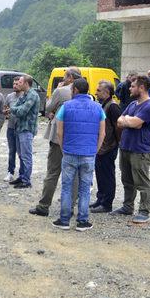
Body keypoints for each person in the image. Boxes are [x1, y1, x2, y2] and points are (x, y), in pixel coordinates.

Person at [51, 78, 106, 231]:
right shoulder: (98, 108)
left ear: (75, 90)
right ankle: (82, 221)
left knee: (67, 187)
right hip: (88, 154)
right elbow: (102, 133)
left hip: (69, 152)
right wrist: (95, 150)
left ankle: (64, 220)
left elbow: (59, 132)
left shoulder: (65, 107)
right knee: (84, 188)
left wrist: (63, 148)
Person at [29, 68, 80, 216]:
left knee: (52, 172)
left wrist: (55, 94)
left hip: (58, 138)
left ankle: (44, 206)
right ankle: (70, 207)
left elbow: (48, 107)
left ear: (69, 77)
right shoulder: (85, 94)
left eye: (65, 76)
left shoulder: (62, 91)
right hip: (75, 139)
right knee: (74, 173)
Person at [111, 75, 150, 223]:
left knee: (142, 182)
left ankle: (144, 211)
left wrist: (130, 121)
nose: (130, 88)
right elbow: (120, 120)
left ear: (142, 88)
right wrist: (129, 121)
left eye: (133, 86)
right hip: (125, 147)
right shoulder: (133, 104)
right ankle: (127, 207)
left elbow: (135, 123)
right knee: (127, 180)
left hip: (140, 150)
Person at [90, 80, 122, 213]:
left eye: (98, 90)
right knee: (100, 174)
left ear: (107, 92)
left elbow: (118, 127)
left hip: (109, 147)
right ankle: (100, 199)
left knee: (107, 175)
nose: (95, 93)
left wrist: (115, 144)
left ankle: (107, 203)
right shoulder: (104, 104)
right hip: (102, 147)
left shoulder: (113, 107)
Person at [7, 75, 40, 189]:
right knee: (21, 155)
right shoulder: (24, 94)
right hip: (19, 128)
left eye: (20, 82)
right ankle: (22, 177)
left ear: (26, 83)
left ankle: (26, 181)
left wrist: (12, 110)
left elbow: (21, 111)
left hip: (27, 129)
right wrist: (14, 109)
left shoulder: (32, 95)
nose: (18, 84)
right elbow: (16, 106)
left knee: (26, 156)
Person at [4, 77, 25, 182]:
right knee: (12, 151)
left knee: (21, 153)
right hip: (11, 128)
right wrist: (6, 113)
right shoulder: (9, 96)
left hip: (21, 129)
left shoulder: (25, 96)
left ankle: (22, 174)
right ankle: (10, 172)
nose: (15, 86)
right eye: (14, 84)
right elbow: (5, 108)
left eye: (17, 84)